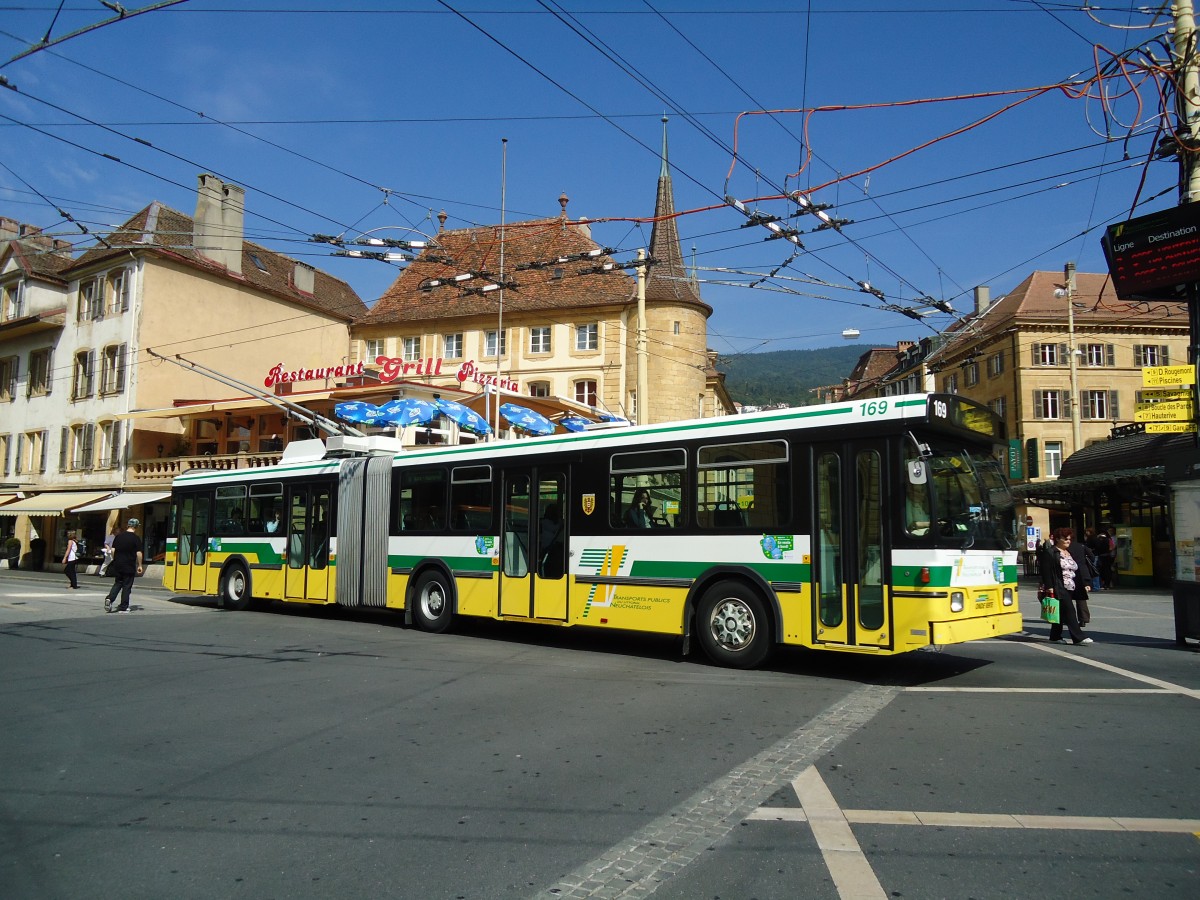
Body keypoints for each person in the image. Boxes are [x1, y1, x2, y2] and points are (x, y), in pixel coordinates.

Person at [1036, 527, 1092, 645]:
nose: (1068, 541)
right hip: (1058, 586)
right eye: (1065, 539)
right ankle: (1078, 637)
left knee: (1060, 612)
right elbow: (1046, 571)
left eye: (1069, 539)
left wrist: (1085, 583)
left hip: (1071, 585)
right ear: (1057, 539)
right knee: (1070, 611)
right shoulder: (1050, 552)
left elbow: (1077, 568)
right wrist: (1050, 587)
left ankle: (1055, 636)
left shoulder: (1068, 552)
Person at [104, 518, 144, 614]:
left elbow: (113, 550)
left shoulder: (119, 537)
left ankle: (110, 598)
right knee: (127, 586)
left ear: (128, 526)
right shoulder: (136, 538)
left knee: (118, 583)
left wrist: (115, 559)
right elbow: (138, 553)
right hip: (129, 565)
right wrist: (140, 565)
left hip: (118, 564)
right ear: (136, 527)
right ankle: (123, 606)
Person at [1064, 526, 1096, 628]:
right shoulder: (1081, 546)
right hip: (1082, 573)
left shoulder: (1064, 548)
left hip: (1069, 573)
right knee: (1081, 598)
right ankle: (1084, 619)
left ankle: (1067, 618)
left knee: (1066, 598)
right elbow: (1092, 556)